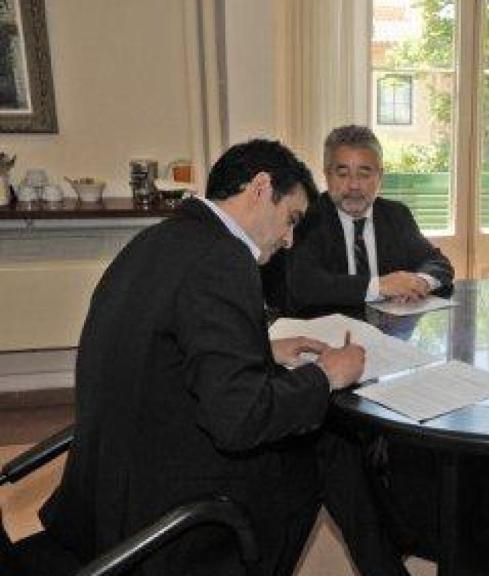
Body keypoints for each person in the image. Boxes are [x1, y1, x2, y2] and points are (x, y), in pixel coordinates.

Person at [40, 140, 367, 576]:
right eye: (291, 220)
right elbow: (240, 419)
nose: (289, 240)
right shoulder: (223, 259)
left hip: (102, 496)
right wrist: (326, 375)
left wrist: (260, 350)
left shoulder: (158, 238)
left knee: (310, 425)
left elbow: (159, 347)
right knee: (327, 441)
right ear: (261, 187)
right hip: (164, 519)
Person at [286, 125, 454, 311]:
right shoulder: (309, 217)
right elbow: (304, 284)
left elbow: (437, 263)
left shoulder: (396, 215)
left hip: (388, 330)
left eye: (364, 174)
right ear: (327, 175)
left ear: (380, 176)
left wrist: (421, 281)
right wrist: (379, 286)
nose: (354, 185)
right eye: (343, 174)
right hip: (331, 333)